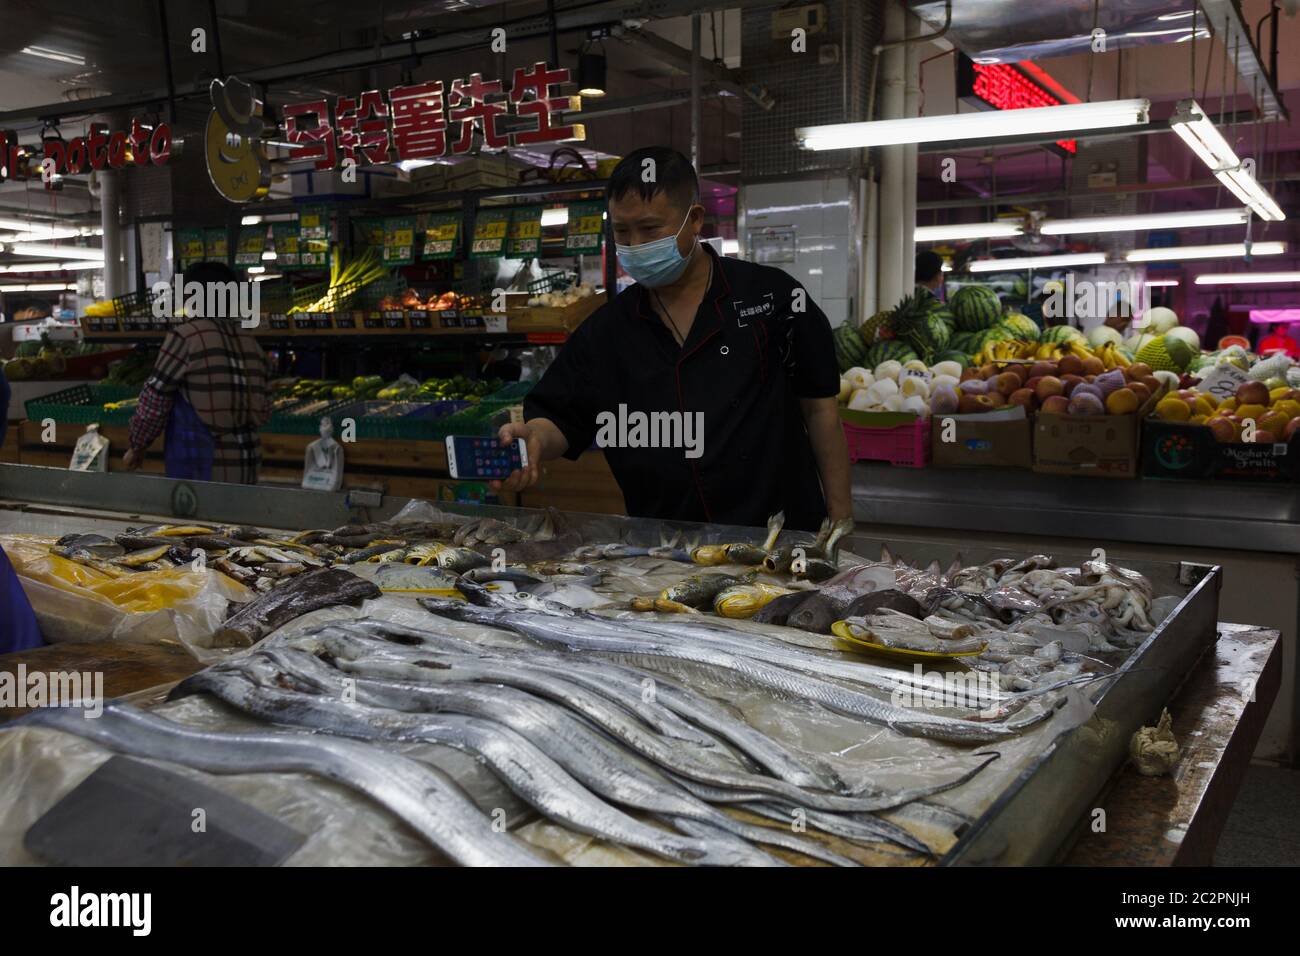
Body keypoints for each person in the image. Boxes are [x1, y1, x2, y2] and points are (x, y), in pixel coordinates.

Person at [494, 146, 852, 532]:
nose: (633, 245)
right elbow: (562, 419)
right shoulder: (607, 331)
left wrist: (841, 518)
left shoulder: (774, 298)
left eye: (649, 229)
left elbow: (820, 411)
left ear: (694, 219)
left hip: (779, 540)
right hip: (665, 553)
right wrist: (534, 440)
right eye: (621, 231)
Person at [123, 261, 271, 483]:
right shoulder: (251, 343)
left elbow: (155, 400)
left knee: (196, 519)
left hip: (201, 464)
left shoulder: (186, 337)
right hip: (248, 462)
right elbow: (265, 404)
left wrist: (137, 445)